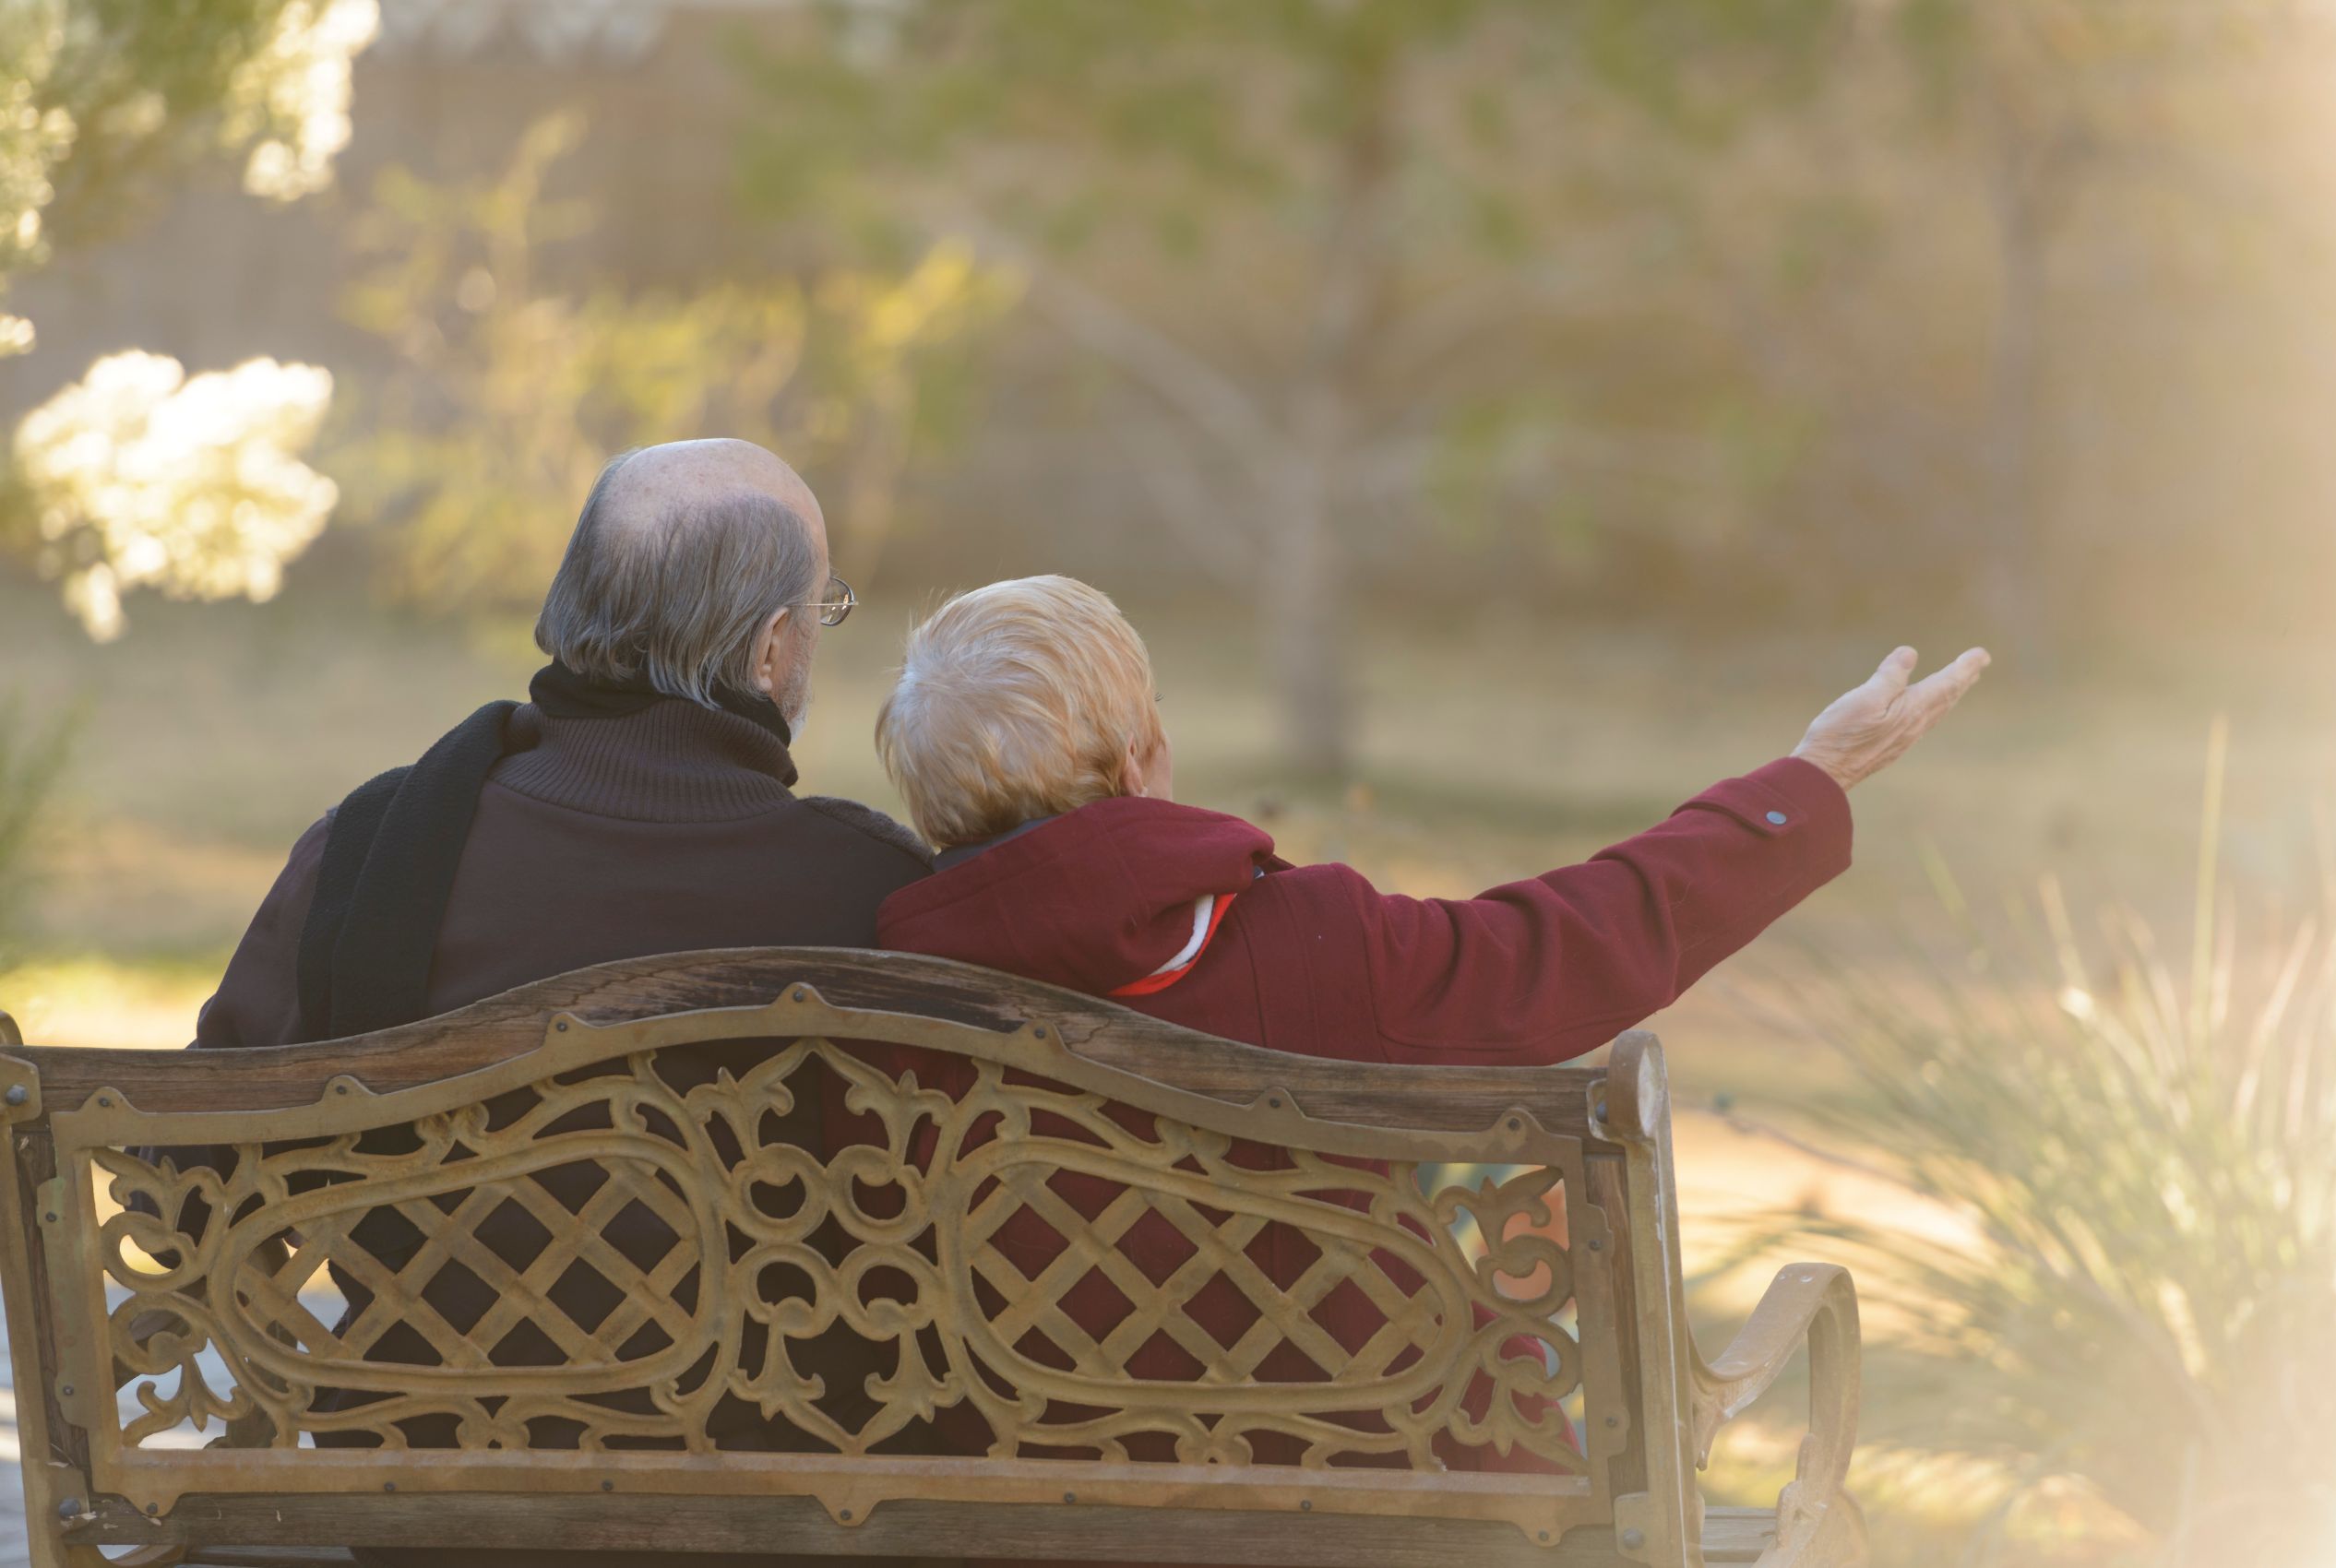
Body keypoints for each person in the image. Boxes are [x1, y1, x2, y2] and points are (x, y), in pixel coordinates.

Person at [869, 575, 1986, 1480]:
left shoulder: (873, 998)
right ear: (1135, 766)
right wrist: (1807, 779)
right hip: (1375, 1493)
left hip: (1010, 1497)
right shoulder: (1315, 944)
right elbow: (1569, 947)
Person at [180, 439, 939, 1568]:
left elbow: (198, 1177)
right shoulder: (873, 891)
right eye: (816, 612)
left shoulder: (379, 846)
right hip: (780, 1504)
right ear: (773, 646)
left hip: (432, 1495)